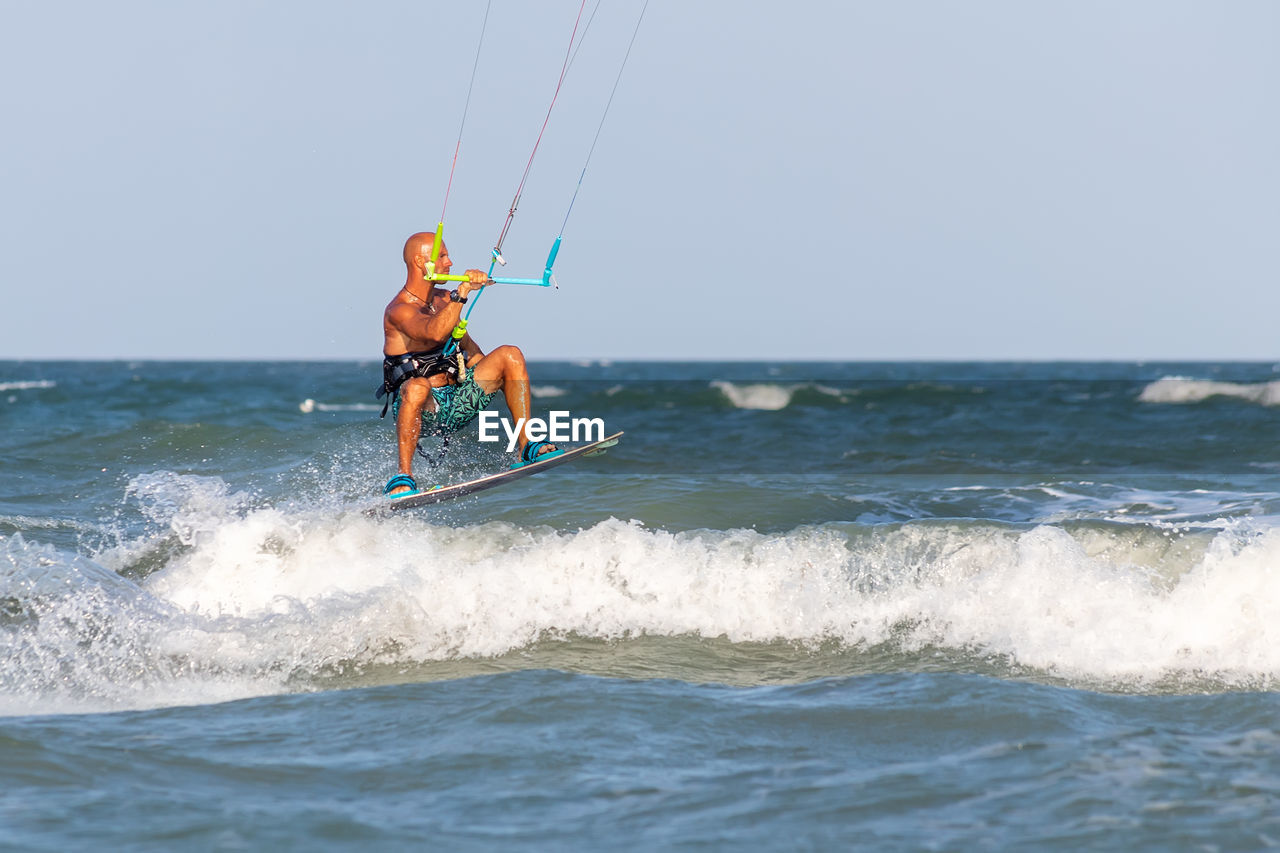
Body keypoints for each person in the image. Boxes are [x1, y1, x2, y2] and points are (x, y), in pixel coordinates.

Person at [377, 231, 560, 496]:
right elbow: (434, 332)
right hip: (423, 411)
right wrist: (461, 293)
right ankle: (404, 476)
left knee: (510, 354)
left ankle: (525, 445)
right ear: (420, 262)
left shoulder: (443, 300)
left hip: (459, 403)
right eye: (441, 257)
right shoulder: (399, 310)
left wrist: (500, 380)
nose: (450, 263)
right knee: (416, 386)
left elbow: (475, 357)